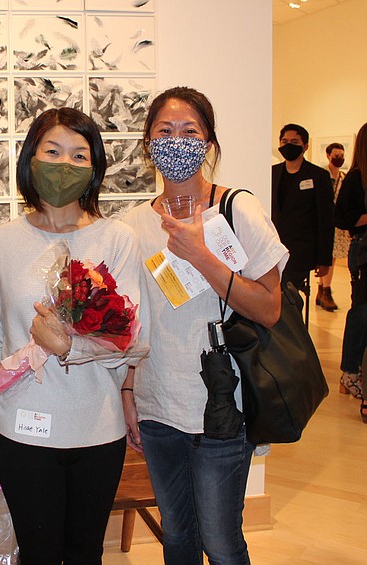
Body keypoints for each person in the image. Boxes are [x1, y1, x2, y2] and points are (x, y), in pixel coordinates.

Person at [123, 86, 288, 565]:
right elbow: (135, 322)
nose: (177, 141)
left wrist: (201, 256)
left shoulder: (239, 209)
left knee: (220, 540)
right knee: (175, 535)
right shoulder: (133, 224)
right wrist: (129, 394)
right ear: (148, 143)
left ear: (209, 143)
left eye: (189, 131)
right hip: (157, 405)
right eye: (164, 131)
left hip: (223, 402)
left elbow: (269, 308)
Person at [0, 107, 149, 565]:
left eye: (79, 155)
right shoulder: (1, 242)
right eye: (52, 151)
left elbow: (133, 337)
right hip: (24, 432)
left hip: (97, 428)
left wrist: (70, 346)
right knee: (36, 554)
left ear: (95, 169)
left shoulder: (117, 239)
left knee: (85, 553)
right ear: (30, 159)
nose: (64, 164)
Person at [271, 123, 334, 302]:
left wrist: (324, 259)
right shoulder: (272, 173)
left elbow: (326, 220)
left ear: (305, 146)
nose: (288, 145)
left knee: (289, 296)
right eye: (284, 141)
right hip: (274, 248)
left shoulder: (318, 176)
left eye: (294, 141)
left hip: (302, 251)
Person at [334, 122, 367, 413]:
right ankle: (349, 371)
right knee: (361, 311)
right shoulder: (356, 178)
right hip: (363, 250)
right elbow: (342, 218)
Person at [316, 142, 348, 311]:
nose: (339, 159)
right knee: (327, 256)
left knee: (333, 257)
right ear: (328, 156)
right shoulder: (322, 176)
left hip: (338, 223)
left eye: (341, 156)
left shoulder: (343, 177)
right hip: (325, 221)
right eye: (336, 155)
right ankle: (325, 290)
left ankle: (323, 290)